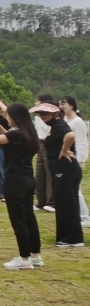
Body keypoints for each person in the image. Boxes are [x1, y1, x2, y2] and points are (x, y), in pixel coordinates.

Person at [0, 101, 43, 269]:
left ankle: (24, 259)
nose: (7, 118)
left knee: (18, 220)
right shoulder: (29, 133)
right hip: (28, 180)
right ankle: (35, 256)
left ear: (15, 117)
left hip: (15, 182)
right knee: (29, 217)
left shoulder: (16, 135)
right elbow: (10, 137)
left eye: (8, 115)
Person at [34, 102, 84, 248]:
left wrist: (64, 149)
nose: (42, 116)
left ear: (55, 113)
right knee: (63, 203)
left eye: (45, 113)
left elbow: (71, 135)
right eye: (40, 114)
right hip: (60, 169)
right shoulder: (55, 126)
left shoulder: (59, 124)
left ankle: (73, 239)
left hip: (65, 168)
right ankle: (67, 237)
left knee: (67, 203)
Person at [58, 97, 90, 227]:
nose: (61, 106)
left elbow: (82, 141)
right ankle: (76, 214)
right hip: (66, 157)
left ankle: (84, 216)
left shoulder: (77, 121)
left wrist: (81, 160)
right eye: (59, 104)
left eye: (63, 103)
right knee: (70, 188)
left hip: (74, 156)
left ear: (71, 105)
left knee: (76, 188)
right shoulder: (65, 120)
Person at [33, 94, 56, 212]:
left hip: (49, 143)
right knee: (40, 173)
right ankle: (41, 201)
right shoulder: (38, 118)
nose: (35, 103)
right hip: (40, 143)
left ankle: (51, 202)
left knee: (49, 173)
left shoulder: (52, 118)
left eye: (37, 101)